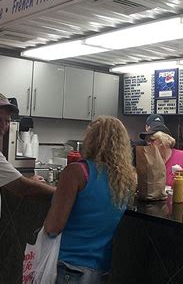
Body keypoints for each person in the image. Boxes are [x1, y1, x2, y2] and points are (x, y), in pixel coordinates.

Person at [0, 92, 55, 284]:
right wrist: (63, 192)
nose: (2, 126)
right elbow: (22, 189)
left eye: (6, 121)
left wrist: (24, 179)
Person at [43, 116, 136, 283]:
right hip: (101, 269)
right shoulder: (128, 179)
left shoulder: (76, 172)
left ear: (90, 140)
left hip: (68, 266)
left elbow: (53, 227)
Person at [139, 124, 183, 193]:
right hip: (161, 202)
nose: (149, 144)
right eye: (147, 141)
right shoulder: (151, 161)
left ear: (163, 141)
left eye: (152, 140)